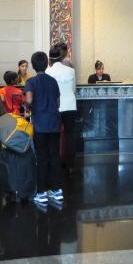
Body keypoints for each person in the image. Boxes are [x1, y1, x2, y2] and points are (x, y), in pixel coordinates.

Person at [25, 51, 63, 205]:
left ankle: (41, 193)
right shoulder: (53, 81)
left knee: (41, 157)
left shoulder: (31, 82)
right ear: (47, 64)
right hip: (54, 122)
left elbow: (29, 100)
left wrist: (28, 106)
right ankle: (56, 190)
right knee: (54, 156)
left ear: (33, 66)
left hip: (40, 124)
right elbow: (58, 102)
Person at [46, 43, 77, 172]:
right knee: (70, 135)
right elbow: (74, 89)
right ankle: (70, 164)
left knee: (55, 135)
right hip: (70, 105)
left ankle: (55, 162)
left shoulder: (48, 71)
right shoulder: (71, 70)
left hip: (56, 106)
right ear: (63, 56)